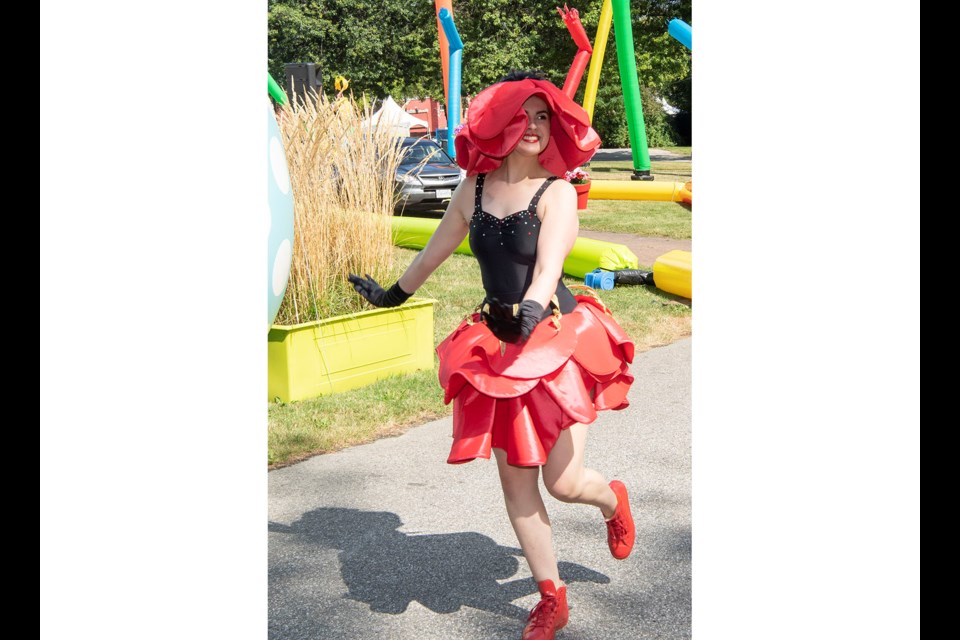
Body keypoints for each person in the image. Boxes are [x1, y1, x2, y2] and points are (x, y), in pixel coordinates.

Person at [349, 70, 636, 640]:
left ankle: (612, 501)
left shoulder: (556, 191)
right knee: (517, 488)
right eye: (522, 114)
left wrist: (528, 313)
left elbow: (549, 267)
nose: (532, 126)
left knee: (565, 482)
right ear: (498, 120)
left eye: (542, 116)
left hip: (554, 341)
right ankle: (551, 597)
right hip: (498, 346)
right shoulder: (473, 188)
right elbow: (433, 254)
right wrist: (391, 294)